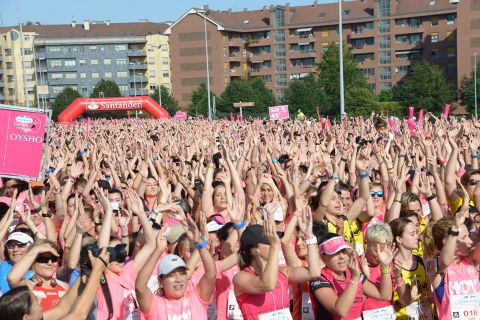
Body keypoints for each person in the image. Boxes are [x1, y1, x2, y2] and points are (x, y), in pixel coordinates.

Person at [233, 207, 323, 320]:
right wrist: (275, 246)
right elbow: (267, 284)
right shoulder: (241, 277)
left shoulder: (283, 272)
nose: (275, 243)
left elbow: (314, 272)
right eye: (269, 242)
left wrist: (310, 237)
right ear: (255, 250)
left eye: (274, 241)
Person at [135, 215, 217, 320]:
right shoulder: (155, 304)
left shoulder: (197, 298)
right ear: (160, 280)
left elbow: (211, 274)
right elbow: (140, 287)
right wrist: (158, 250)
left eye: (182, 273)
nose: (178, 280)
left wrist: (199, 242)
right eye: (172, 275)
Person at [309, 233, 394, 320]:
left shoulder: (351, 272)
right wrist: (354, 279)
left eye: (343, 251)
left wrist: (385, 266)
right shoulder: (320, 278)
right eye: (335, 253)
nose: (341, 256)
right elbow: (341, 311)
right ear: (322, 257)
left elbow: (384, 295)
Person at [430, 183, 480, 320]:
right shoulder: (432, 264)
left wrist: (466, 200)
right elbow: (445, 261)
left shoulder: (470, 260)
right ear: (447, 241)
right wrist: (454, 229)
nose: (470, 241)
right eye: (464, 237)